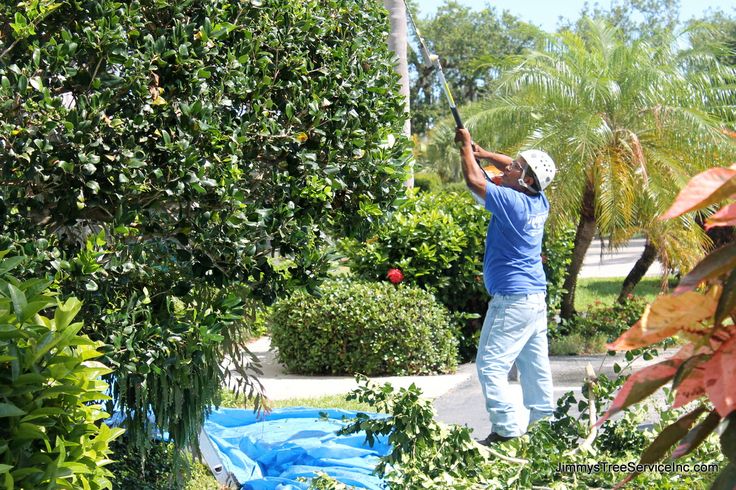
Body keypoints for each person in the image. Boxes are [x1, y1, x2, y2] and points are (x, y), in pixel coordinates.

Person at [454, 128, 556, 445]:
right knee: (535, 369)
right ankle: (545, 432)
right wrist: (483, 153)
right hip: (534, 300)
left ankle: (507, 431)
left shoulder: (512, 203)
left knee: (490, 367)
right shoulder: (539, 200)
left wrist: (465, 150)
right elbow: (509, 165)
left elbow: (473, 180)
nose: (507, 167)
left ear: (524, 180)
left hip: (512, 301)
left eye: (514, 168)